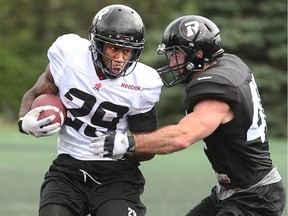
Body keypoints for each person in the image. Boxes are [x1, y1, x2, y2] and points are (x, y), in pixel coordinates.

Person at [90, 15, 286, 216]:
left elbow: (182, 137)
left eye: (176, 54)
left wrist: (127, 143)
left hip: (255, 198)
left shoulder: (215, 91)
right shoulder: (228, 63)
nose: (172, 61)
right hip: (232, 192)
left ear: (198, 54)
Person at [17, 4, 163, 216]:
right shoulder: (69, 56)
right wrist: (24, 122)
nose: (120, 59)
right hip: (69, 168)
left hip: (116, 175)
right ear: (98, 44)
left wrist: (127, 147)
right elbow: (33, 93)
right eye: (114, 48)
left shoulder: (143, 82)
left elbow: (148, 147)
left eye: (127, 50)